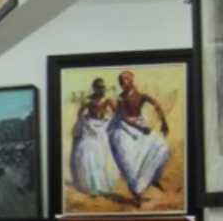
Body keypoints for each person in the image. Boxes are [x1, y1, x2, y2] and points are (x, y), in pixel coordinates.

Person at [107, 71, 171, 208]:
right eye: (120, 80)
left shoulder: (141, 95)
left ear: (132, 80)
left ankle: (152, 178)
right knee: (128, 161)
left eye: (125, 79)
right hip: (124, 128)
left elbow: (156, 105)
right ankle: (136, 193)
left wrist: (164, 122)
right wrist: (140, 128)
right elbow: (123, 117)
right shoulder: (121, 98)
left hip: (140, 125)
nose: (122, 82)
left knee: (162, 147)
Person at [70, 77, 116, 197]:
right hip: (90, 128)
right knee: (87, 153)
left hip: (102, 128)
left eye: (103, 87)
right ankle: (92, 186)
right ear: (94, 88)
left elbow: (116, 112)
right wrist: (84, 122)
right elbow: (80, 113)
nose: (102, 89)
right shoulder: (89, 100)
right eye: (99, 87)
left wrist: (108, 119)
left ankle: (102, 185)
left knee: (102, 156)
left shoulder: (108, 100)